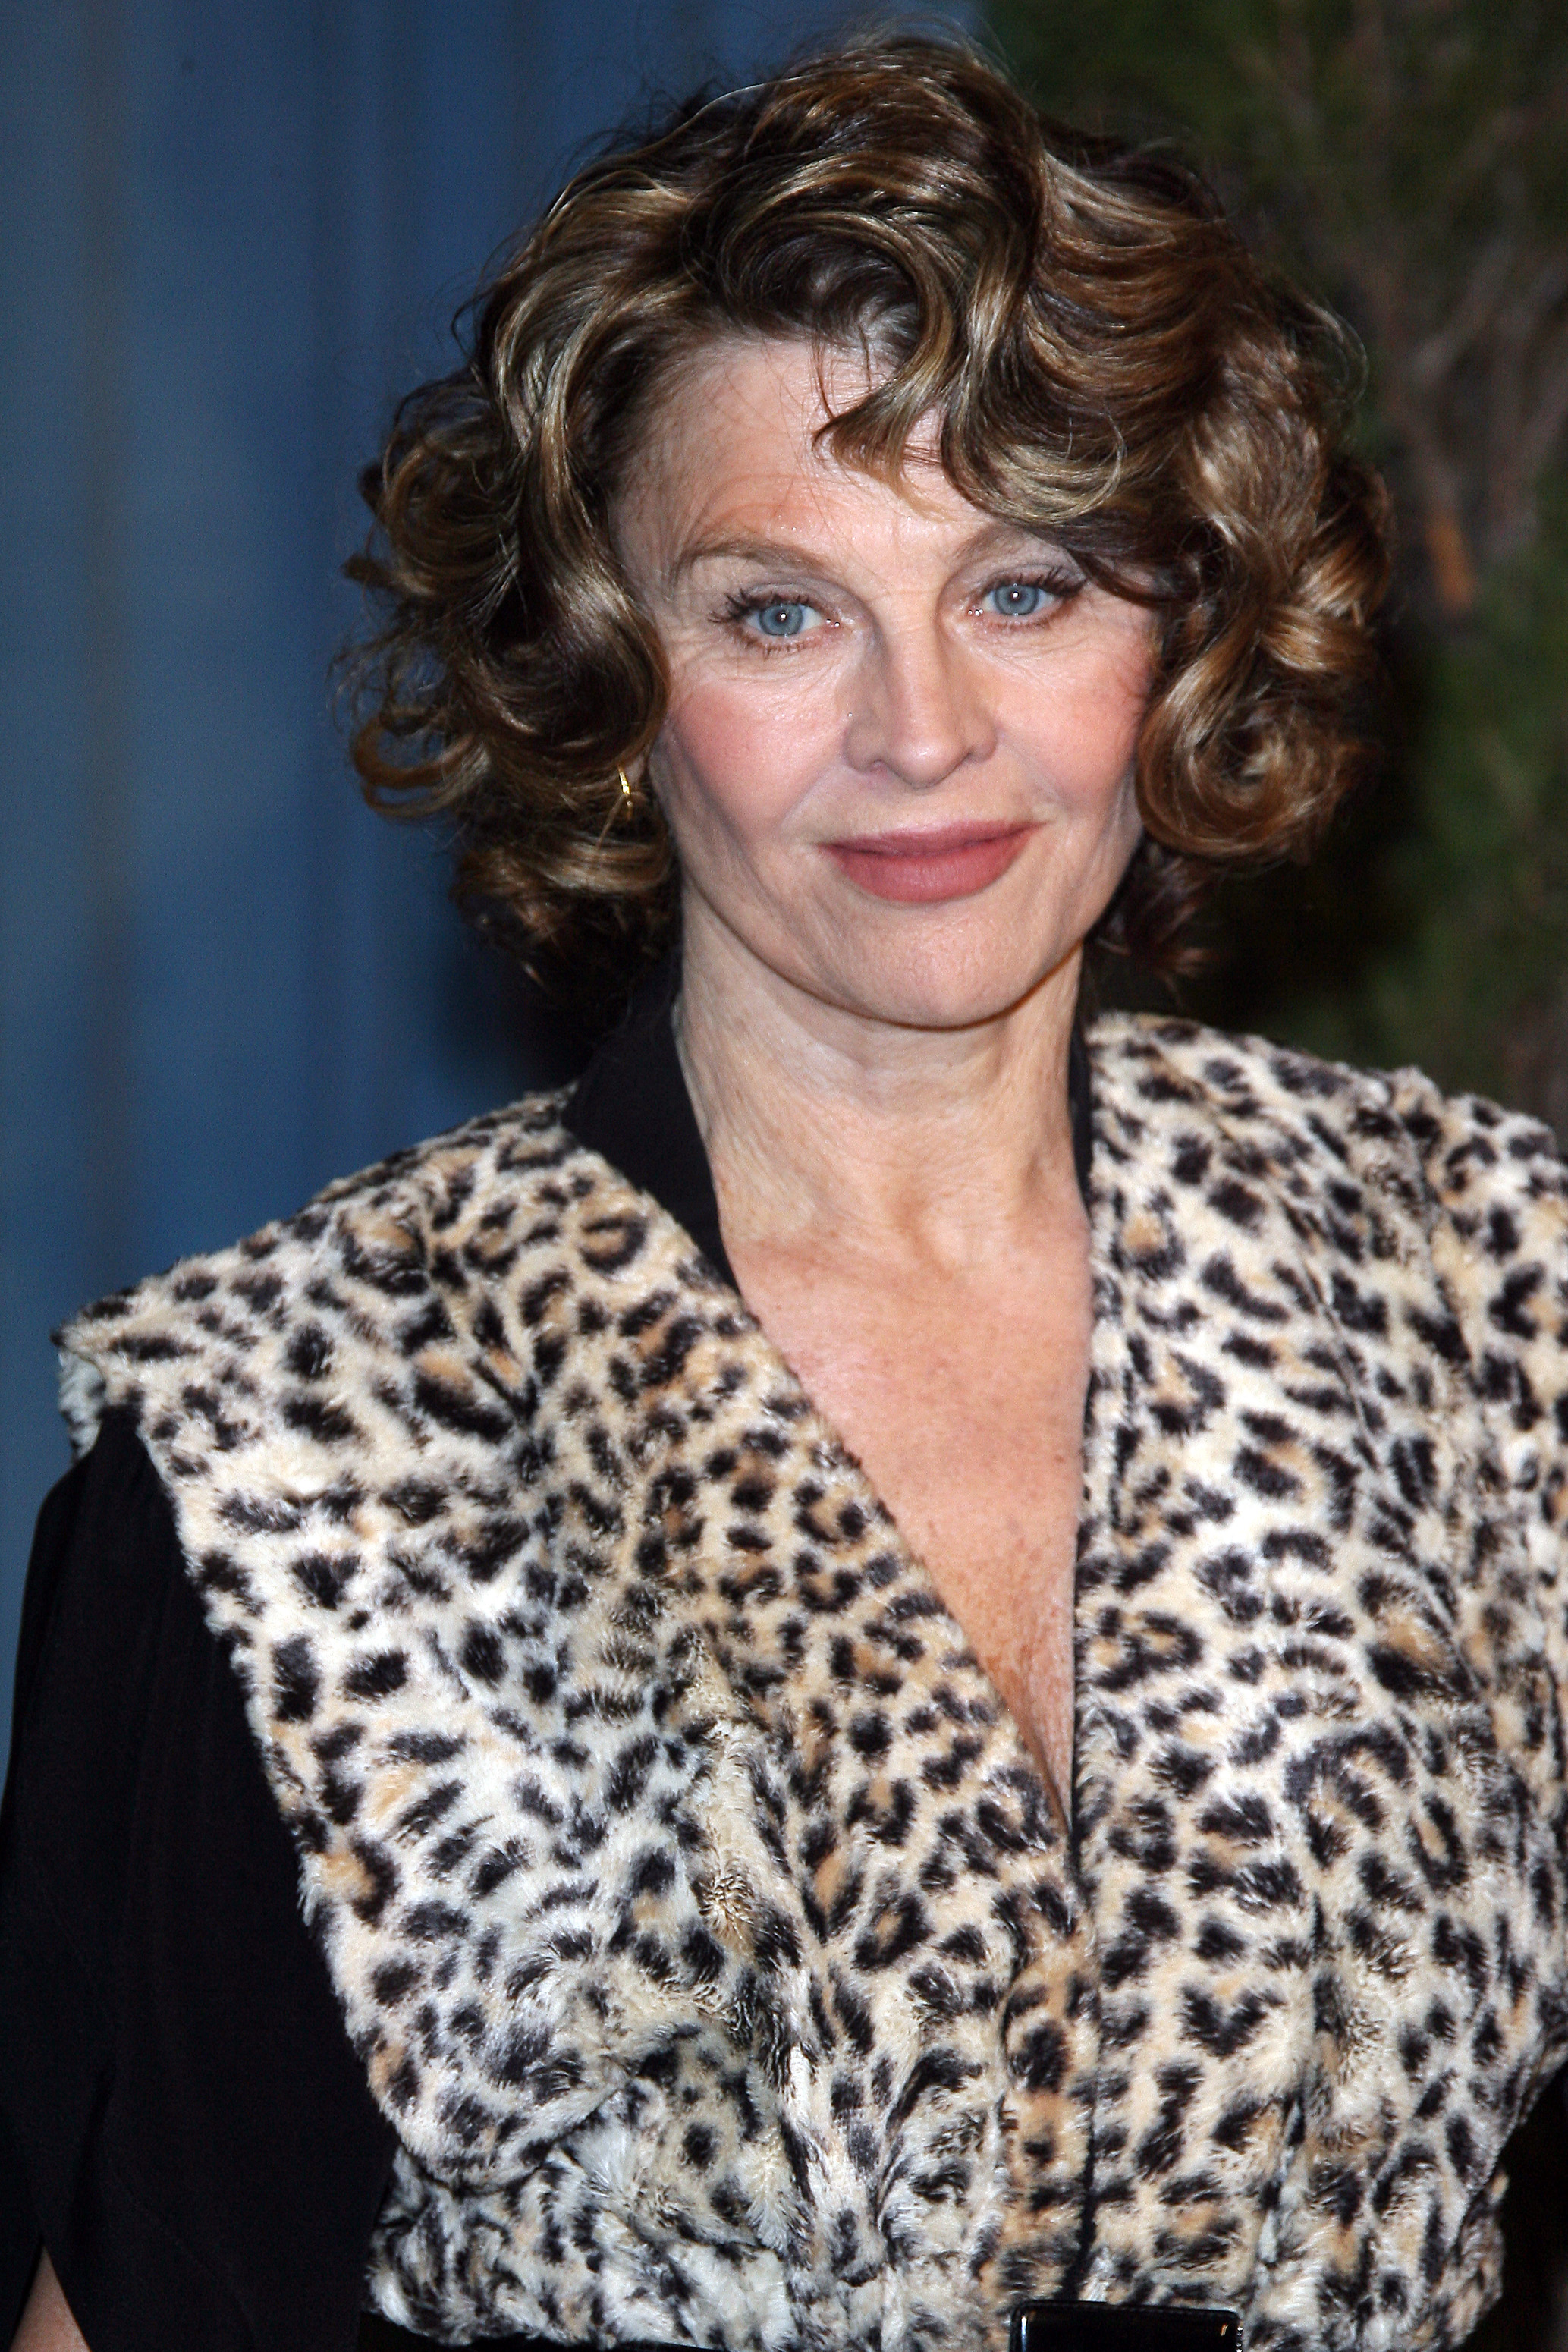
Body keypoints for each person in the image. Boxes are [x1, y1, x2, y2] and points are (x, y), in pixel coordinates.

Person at [4, 30, 1566, 2352]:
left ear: (1185, 623)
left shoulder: (1488, 1310)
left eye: (1028, 588)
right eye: (777, 609)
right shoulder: (302, 1457)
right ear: (602, 678)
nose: (920, 731)